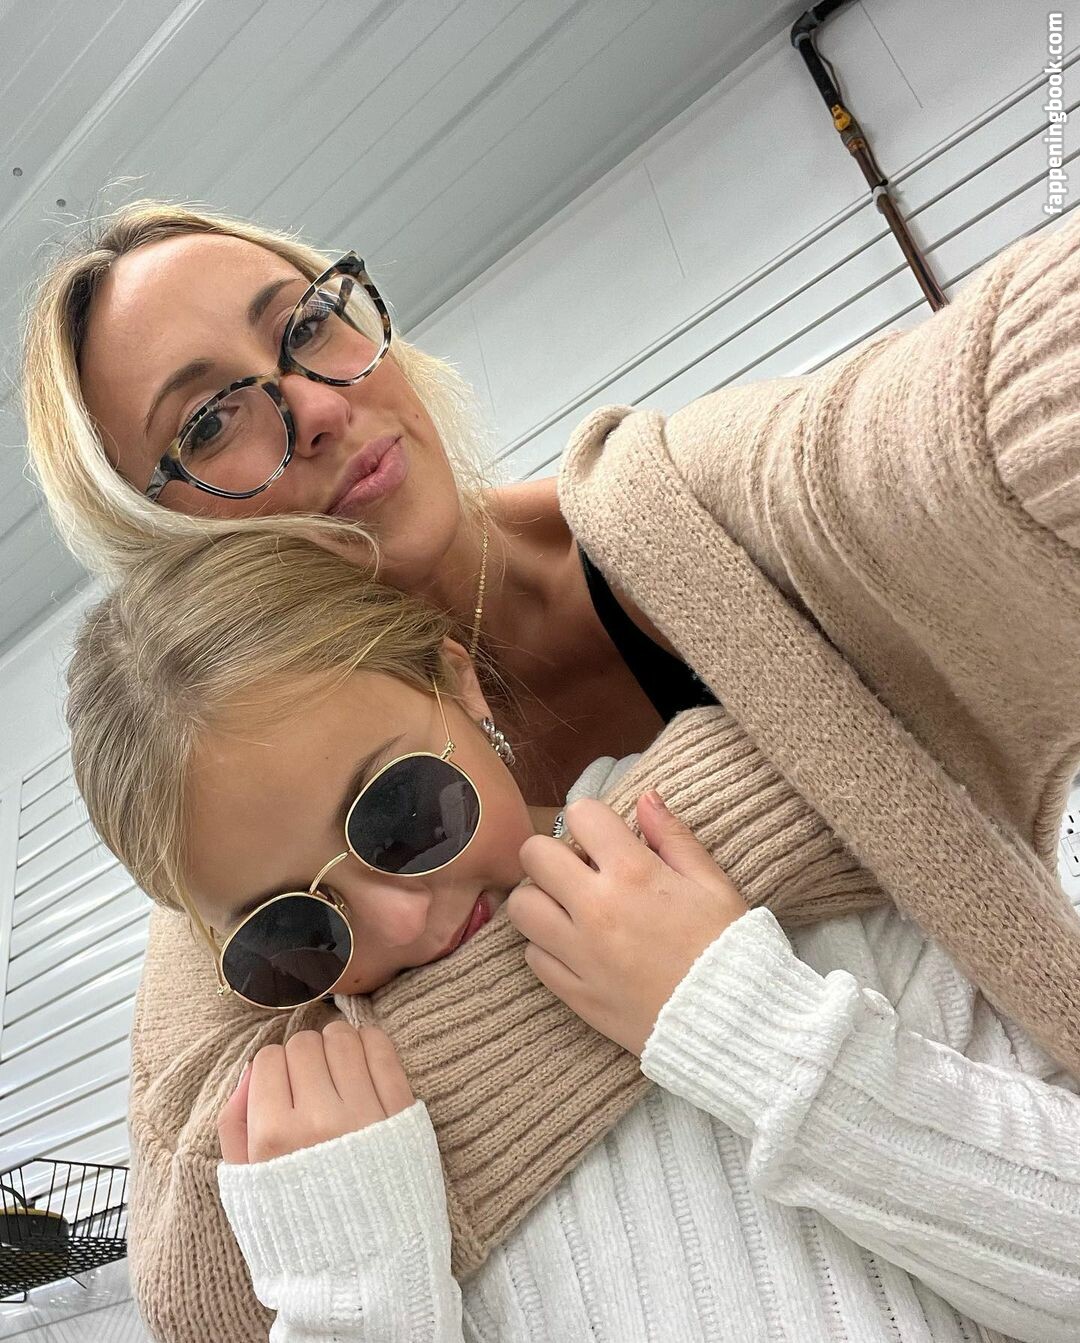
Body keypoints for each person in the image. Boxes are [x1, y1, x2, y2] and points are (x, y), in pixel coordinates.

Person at [23, 201, 1080, 1339]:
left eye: (308, 323)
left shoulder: (692, 515)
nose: (318, 408)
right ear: (161, 546)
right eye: (211, 421)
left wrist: (732, 992)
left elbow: (960, 427)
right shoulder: (228, 847)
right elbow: (203, 1262)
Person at [65, 530, 1080, 1343]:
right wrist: (357, 1299)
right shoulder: (313, 1137)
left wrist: (745, 1022)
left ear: (459, 683)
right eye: (290, 927)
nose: (402, 918)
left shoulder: (758, 854)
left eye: (399, 811)